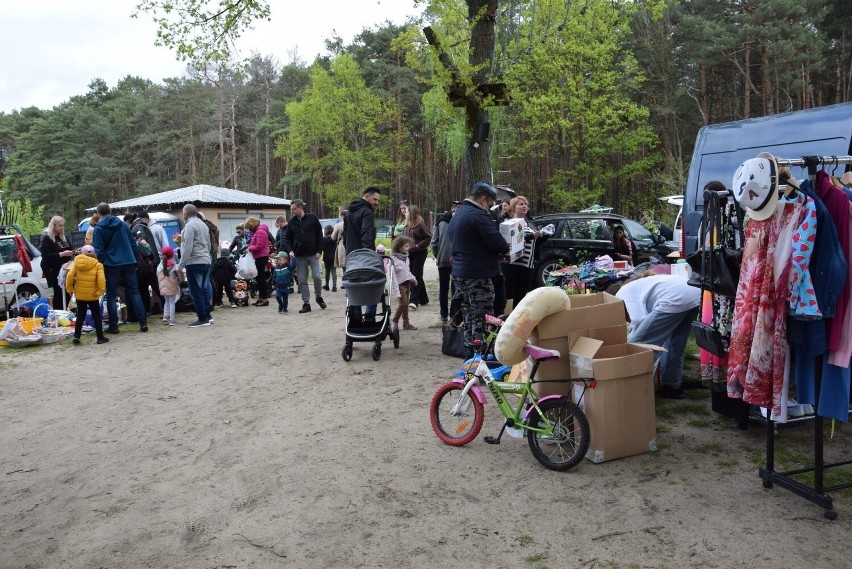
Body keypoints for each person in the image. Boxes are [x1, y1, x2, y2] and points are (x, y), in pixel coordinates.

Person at [613, 273, 701, 399]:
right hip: (695, 294)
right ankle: (672, 387)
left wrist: (629, 338)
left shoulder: (621, 295)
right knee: (674, 343)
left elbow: (638, 321)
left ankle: (630, 388)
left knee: (637, 345)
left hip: (675, 299)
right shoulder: (640, 286)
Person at [449, 182, 510, 356]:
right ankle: (480, 360)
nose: (491, 207)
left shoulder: (460, 213)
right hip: (478, 274)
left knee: (469, 315)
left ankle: (470, 355)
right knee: (482, 318)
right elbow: (498, 244)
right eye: (491, 203)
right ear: (484, 200)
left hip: (461, 273)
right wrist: (507, 247)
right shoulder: (478, 216)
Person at [92, 203, 149, 333]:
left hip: (111, 264)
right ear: (110, 210)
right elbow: (132, 243)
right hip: (128, 261)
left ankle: (114, 326)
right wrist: (134, 260)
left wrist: (103, 262)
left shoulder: (99, 228)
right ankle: (143, 322)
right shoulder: (123, 225)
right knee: (134, 292)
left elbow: (99, 250)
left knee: (111, 295)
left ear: (98, 213)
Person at [501, 196, 547, 308]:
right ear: (513, 207)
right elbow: (508, 243)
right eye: (521, 204)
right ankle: (503, 320)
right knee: (508, 295)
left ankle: (517, 322)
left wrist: (543, 236)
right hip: (512, 265)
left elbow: (535, 243)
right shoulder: (509, 223)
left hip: (527, 265)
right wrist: (530, 236)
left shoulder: (530, 223)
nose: (524, 206)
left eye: (526, 204)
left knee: (521, 296)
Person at [344, 187, 381, 321]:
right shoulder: (367, 212)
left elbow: (345, 235)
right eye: (375, 199)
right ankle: (370, 318)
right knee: (371, 286)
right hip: (364, 256)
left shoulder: (349, 212)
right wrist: (368, 254)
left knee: (354, 288)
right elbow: (366, 234)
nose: (377, 202)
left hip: (351, 256)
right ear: (366, 196)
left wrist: (349, 252)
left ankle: (356, 320)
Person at [284, 199, 326, 314]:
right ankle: (306, 303)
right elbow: (287, 238)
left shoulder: (312, 218)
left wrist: (319, 250)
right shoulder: (291, 222)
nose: (292, 211)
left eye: (294, 209)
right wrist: (290, 250)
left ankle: (318, 297)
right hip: (299, 255)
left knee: (317, 277)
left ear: (300, 208)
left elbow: (319, 235)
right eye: (291, 209)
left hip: (313, 254)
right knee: (302, 280)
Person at [175, 204, 213, 327]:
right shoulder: (204, 225)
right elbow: (209, 244)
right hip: (205, 260)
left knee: (196, 291)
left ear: (186, 214)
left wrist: (181, 265)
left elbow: (187, 247)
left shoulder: (189, 225)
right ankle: (208, 315)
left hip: (194, 261)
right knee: (204, 289)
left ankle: (202, 318)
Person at [65, 244, 108, 345]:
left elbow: (69, 276)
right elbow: (101, 280)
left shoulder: (76, 263)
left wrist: (70, 289)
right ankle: (100, 337)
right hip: (93, 295)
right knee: (96, 315)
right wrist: (100, 291)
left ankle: (76, 336)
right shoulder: (98, 265)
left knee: (80, 315)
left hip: (80, 295)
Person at [38, 215, 74, 309]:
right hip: (52, 269)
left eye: (63, 225)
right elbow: (45, 255)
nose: (62, 228)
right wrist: (61, 254)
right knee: (58, 292)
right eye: (59, 225)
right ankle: (58, 313)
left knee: (66, 292)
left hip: (65, 268)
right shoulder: (47, 238)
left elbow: (69, 249)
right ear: (53, 225)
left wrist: (73, 252)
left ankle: (65, 312)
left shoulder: (62, 237)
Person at [430, 202, 458, 322]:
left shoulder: (440, 223)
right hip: (457, 260)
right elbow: (434, 242)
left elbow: (434, 243)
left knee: (444, 288)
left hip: (443, 260)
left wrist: (438, 254)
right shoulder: (460, 223)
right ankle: (452, 314)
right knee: (455, 288)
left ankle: (444, 314)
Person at [130, 213, 160, 317]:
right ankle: (163, 307)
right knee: (154, 286)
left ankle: (147, 310)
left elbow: (143, 245)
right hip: (152, 261)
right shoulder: (145, 227)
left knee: (145, 288)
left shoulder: (137, 229)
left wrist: (149, 258)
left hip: (147, 263)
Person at [402, 204, 431, 310]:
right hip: (409, 253)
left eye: (407, 212)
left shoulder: (421, 225)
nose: (405, 213)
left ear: (412, 213)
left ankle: (413, 300)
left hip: (420, 253)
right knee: (414, 274)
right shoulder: (406, 225)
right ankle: (423, 298)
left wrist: (418, 245)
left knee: (415, 275)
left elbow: (428, 238)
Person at [390, 236, 418, 332]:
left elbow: (407, 271)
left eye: (408, 246)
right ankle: (394, 321)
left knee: (405, 305)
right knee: (403, 304)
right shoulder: (393, 260)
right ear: (399, 248)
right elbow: (392, 277)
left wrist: (413, 278)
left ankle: (406, 323)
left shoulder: (406, 258)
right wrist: (396, 292)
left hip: (407, 285)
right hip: (400, 286)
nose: (408, 248)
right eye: (406, 246)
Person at [244, 217, 272, 307]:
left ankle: (264, 299)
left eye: (248, 226)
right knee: (259, 278)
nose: (248, 229)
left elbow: (259, 246)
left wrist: (249, 248)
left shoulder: (260, 232)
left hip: (261, 257)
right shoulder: (258, 231)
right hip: (259, 256)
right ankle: (261, 298)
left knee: (261, 279)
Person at [157, 246, 181, 326]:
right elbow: (178, 275)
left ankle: (165, 317)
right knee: (172, 303)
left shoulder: (160, 265)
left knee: (166, 301)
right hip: (172, 287)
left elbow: (157, 275)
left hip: (163, 287)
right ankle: (172, 320)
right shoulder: (174, 265)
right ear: (172, 255)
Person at [330, 206, 347, 277]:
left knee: (344, 266)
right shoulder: (354, 224)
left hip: (342, 246)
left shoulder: (338, 225)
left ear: (342, 216)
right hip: (353, 246)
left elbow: (333, 237)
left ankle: (346, 281)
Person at [321, 225, 338, 292]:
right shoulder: (334, 238)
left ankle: (327, 285)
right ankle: (334, 287)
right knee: (334, 272)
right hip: (334, 256)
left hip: (326, 257)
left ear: (326, 230)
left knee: (327, 272)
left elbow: (322, 248)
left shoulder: (323, 239)